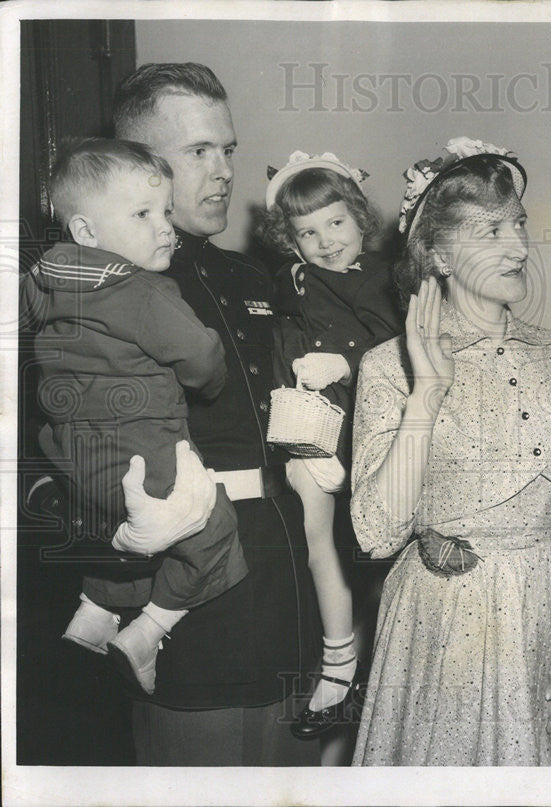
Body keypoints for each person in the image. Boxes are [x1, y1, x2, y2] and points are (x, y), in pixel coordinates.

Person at [349, 137, 551, 765]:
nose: (519, 247)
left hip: (547, 602)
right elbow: (375, 534)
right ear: (436, 253)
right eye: (491, 231)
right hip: (448, 620)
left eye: (517, 224)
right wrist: (427, 394)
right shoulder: (390, 368)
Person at [110, 62, 337, 765]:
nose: (222, 171)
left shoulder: (252, 276)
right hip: (192, 602)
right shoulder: (113, 288)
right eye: (198, 151)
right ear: (143, 168)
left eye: (229, 150)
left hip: (289, 586)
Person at [20, 138, 246, 697]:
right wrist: (212, 381)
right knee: (212, 532)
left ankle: (95, 612)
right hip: (144, 456)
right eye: (143, 215)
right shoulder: (143, 291)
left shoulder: (40, 281)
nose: (165, 227)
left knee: (131, 535)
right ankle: (147, 632)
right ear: (87, 232)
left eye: (166, 212)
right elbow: (199, 356)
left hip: (77, 465)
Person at [257, 150, 401, 737]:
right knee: (319, 539)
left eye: (335, 223)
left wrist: (341, 362)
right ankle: (337, 660)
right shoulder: (293, 282)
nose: (325, 241)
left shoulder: (378, 281)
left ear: (360, 220)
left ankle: (371, 666)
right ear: (289, 241)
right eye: (307, 233)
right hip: (311, 426)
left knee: (374, 548)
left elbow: (398, 351)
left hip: (368, 428)